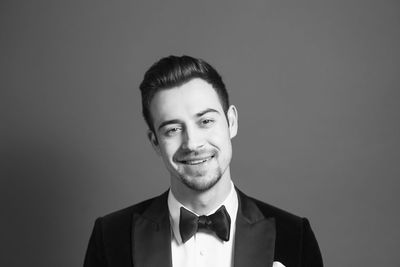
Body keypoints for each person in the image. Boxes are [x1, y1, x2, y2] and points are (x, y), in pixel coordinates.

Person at [83, 55, 323, 267]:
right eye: (173, 129)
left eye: (206, 121)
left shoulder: (294, 237)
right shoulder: (110, 237)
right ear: (155, 142)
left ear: (231, 122)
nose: (192, 143)